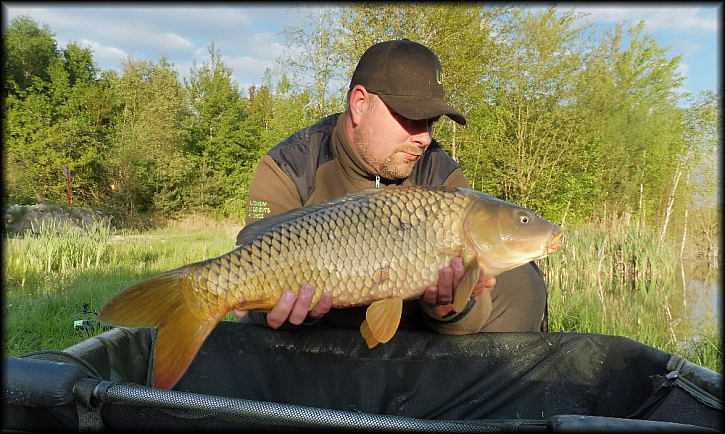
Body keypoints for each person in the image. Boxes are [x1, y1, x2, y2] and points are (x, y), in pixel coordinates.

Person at [233, 39, 547, 334]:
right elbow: (252, 268)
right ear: (359, 103)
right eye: (411, 117)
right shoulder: (290, 165)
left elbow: (474, 314)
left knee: (521, 280)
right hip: (314, 334)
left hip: (413, 333)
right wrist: (287, 315)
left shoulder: (441, 175)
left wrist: (447, 308)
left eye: (431, 122)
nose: (424, 137)